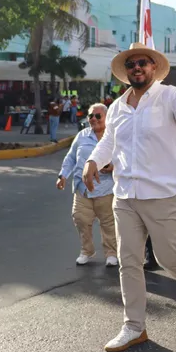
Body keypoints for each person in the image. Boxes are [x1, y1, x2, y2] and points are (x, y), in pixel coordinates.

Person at [83, 41, 176, 352]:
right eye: (131, 65)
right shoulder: (116, 107)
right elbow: (108, 145)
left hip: (163, 194)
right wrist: (92, 161)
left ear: (154, 67)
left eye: (142, 62)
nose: (137, 68)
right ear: (126, 72)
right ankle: (134, 327)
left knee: (167, 258)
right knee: (128, 261)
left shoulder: (170, 97)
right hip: (125, 196)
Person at [58, 103, 117, 267]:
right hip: (83, 189)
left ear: (107, 118)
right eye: (91, 115)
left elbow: (125, 159)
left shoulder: (115, 136)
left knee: (108, 223)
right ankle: (86, 251)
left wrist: (114, 167)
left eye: (98, 116)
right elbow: (71, 158)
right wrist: (63, 175)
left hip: (106, 188)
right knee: (80, 219)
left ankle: (111, 253)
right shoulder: (82, 136)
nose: (93, 119)